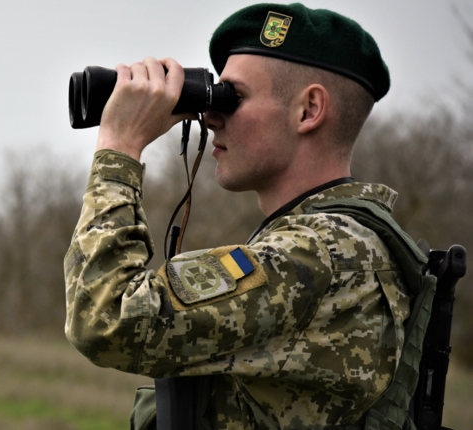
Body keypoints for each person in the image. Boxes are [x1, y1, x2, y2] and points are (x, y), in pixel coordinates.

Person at [63, 3, 411, 429]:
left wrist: (119, 147)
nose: (210, 116)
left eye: (233, 97)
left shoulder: (318, 254)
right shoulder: (340, 244)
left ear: (309, 110)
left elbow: (105, 319)